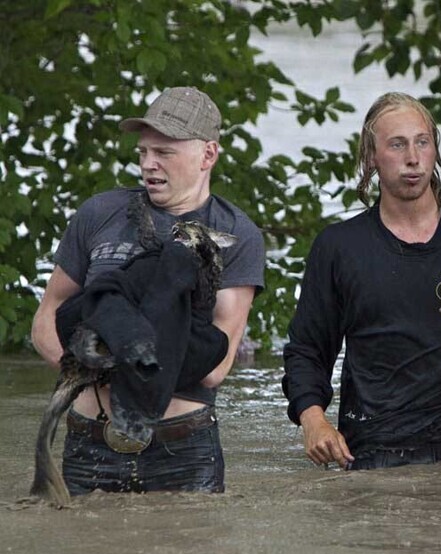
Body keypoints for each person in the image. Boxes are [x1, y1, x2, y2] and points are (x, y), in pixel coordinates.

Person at [282, 92, 441, 472]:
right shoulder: (340, 247)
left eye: (422, 142)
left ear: (435, 150)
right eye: (397, 144)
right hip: (373, 452)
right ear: (371, 157)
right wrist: (313, 420)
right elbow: (307, 349)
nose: (412, 157)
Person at [31, 86, 265, 494]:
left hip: (183, 449)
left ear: (208, 155)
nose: (148, 164)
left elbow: (215, 367)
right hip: (88, 442)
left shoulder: (235, 234)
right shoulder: (99, 213)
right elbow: (46, 320)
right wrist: (92, 366)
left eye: (164, 153)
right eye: (142, 152)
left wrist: (130, 369)